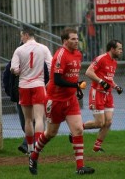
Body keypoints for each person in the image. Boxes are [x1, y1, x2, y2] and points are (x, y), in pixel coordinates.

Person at [29, 27, 95, 175]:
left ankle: (80, 167)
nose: (76, 41)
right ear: (65, 41)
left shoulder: (78, 54)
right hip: (55, 101)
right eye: (73, 39)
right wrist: (76, 85)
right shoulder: (60, 55)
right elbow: (58, 80)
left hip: (70, 100)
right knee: (51, 133)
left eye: (77, 38)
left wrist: (76, 88)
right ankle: (34, 155)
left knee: (78, 129)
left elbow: (71, 76)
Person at [71, 39, 123, 153]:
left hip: (108, 94)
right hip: (97, 93)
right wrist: (101, 81)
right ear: (112, 49)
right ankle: (78, 128)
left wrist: (116, 86)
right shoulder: (101, 58)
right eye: (119, 49)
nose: (121, 51)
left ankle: (97, 148)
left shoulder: (114, 62)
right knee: (99, 123)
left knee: (108, 122)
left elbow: (109, 79)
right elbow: (89, 72)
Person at [10, 25, 52, 155]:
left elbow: (14, 69)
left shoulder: (19, 50)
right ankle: (38, 148)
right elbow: (51, 66)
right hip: (38, 85)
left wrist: (17, 71)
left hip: (24, 86)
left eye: (22, 36)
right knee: (39, 118)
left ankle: (29, 148)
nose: (21, 38)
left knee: (28, 119)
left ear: (26, 35)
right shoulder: (43, 48)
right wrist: (49, 81)